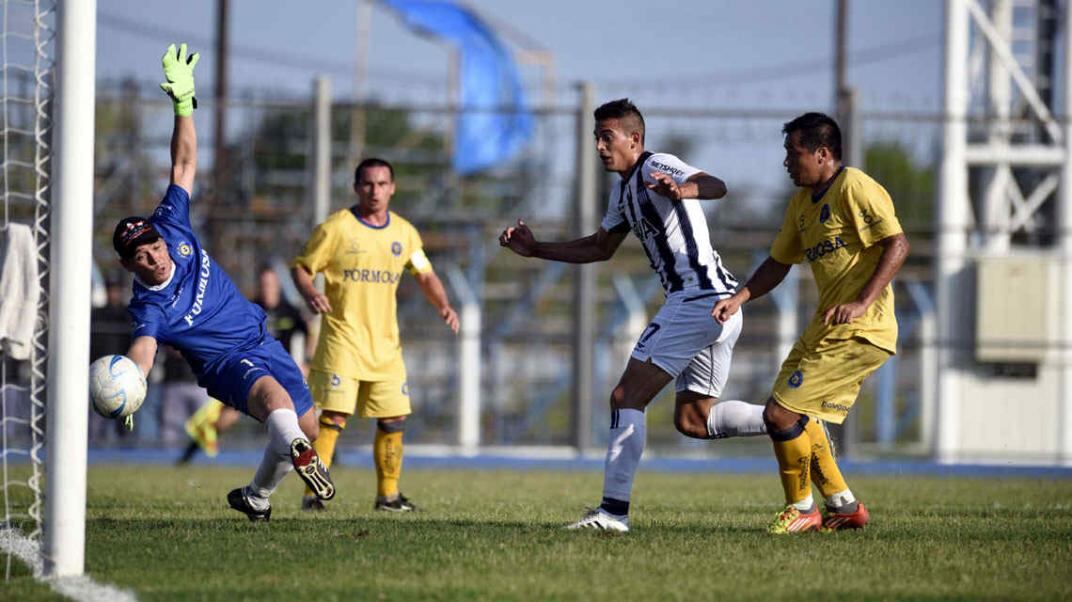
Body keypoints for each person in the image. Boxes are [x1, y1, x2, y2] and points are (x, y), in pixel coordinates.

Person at [499, 98, 768, 533]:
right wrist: (535, 249)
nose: (600, 146)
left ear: (634, 139)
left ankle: (613, 514)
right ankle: (789, 421)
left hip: (697, 300)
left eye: (608, 137)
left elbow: (715, 184)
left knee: (626, 397)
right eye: (596, 138)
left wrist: (684, 189)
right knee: (693, 420)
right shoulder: (623, 190)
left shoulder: (654, 165)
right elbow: (600, 248)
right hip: (718, 303)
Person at [114, 43, 333, 521]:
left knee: (308, 426)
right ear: (130, 266)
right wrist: (130, 380)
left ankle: (257, 497)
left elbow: (184, 164)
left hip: (260, 336)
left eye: (152, 245)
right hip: (225, 363)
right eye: (140, 256)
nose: (153, 255)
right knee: (278, 406)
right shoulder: (149, 307)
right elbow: (144, 350)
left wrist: (183, 104)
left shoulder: (171, 224)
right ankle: (294, 447)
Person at [712, 112, 910, 534]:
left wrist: (861, 301)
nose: (786, 161)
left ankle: (802, 508)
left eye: (793, 152)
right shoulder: (802, 204)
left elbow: (897, 243)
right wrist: (740, 298)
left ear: (822, 154)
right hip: (825, 327)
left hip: (862, 329)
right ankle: (844, 506)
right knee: (796, 416)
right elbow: (779, 262)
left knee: (781, 414)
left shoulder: (854, 186)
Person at [292, 157, 460, 512]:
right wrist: (309, 292)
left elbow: (425, 274)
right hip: (343, 340)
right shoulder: (336, 228)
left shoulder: (404, 232)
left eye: (382, 184)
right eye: (368, 184)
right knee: (333, 418)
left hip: (385, 345)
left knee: (394, 419)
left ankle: (388, 497)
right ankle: (312, 496)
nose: (375, 191)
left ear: (393, 188)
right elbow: (302, 267)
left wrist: (443, 304)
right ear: (356, 187)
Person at [178, 265, 309, 464]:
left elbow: (309, 334)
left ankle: (329, 458)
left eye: (271, 284)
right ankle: (188, 455)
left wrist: (306, 361)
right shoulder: (250, 308)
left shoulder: (290, 310)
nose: (267, 288)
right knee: (226, 418)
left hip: (282, 371)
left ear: (278, 286)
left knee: (305, 418)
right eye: (264, 284)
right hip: (252, 370)